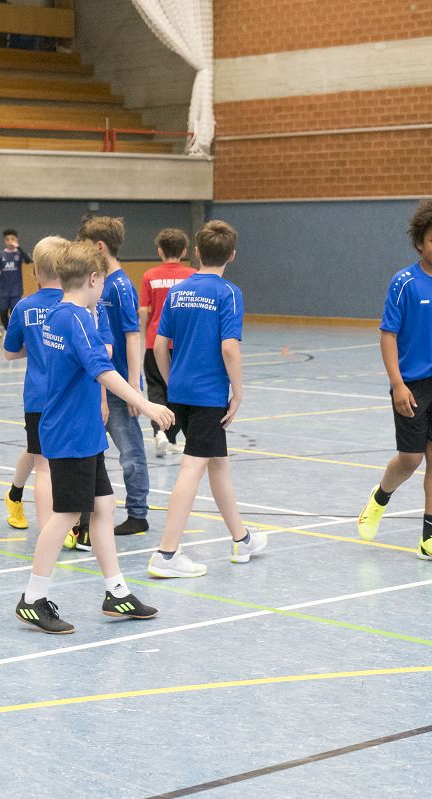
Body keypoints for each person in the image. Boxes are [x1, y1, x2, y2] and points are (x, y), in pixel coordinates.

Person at [15, 240, 173, 634]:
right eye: (102, 281)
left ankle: (116, 592)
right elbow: (102, 369)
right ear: (93, 278)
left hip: (80, 429)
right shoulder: (77, 319)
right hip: (71, 432)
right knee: (67, 514)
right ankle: (32, 599)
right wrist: (146, 404)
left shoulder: (56, 314)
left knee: (103, 505)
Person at [357, 195, 432, 565]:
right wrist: (397, 384)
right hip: (411, 384)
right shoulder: (404, 282)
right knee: (410, 458)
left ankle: (430, 539)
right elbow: (388, 335)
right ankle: (380, 496)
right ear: (420, 243)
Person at [147, 220, 266, 578]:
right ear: (232, 255)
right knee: (192, 468)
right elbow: (229, 347)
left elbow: (159, 346)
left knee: (218, 464)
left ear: (197, 252)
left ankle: (241, 539)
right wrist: (238, 392)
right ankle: (167, 554)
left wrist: (172, 382)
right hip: (208, 396)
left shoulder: (178, 291)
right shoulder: (228, 293)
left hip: (181, 392)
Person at [79, 215, 150, 536]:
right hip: (98, 384)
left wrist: (133, 386)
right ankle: (84, 514)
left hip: (120, 383)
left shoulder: (120, 286)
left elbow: (133, 335)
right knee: (90, 452)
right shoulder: (95, 283)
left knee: (130, 451)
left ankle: (137, 513)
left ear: (99, 246)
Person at [3, 236, 68, 532]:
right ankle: (51, 530)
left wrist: (34, 347)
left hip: (41, 396)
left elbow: (9, 352)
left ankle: (15, 494)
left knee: (39, 454)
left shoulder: (25, 306)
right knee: (45, 462)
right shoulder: (76, 304)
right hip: (57, 396)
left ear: (35, 271)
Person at [140, 227, 195, 457]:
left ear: (160, 251)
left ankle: (161, 434)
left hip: (155, 342)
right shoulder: (192, 275)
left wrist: (144, 336)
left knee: (156, 389)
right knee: (178, 390)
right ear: (184, 251)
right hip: (183, 344)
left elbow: (144, 310)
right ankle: (168, 435)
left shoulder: (150, 276)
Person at [0, 229, 32, 330]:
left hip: (16, 290)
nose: (10, 241)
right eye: (7, 239)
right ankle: (7, 329)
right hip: (4, 290)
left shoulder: (19, 253)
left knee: (15, 312)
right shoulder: (0, 255)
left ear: (16, 240)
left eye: (12, 239)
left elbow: (28, 261)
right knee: (3, 311)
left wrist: (18, 247)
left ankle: (14, 331)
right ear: (5, 241)